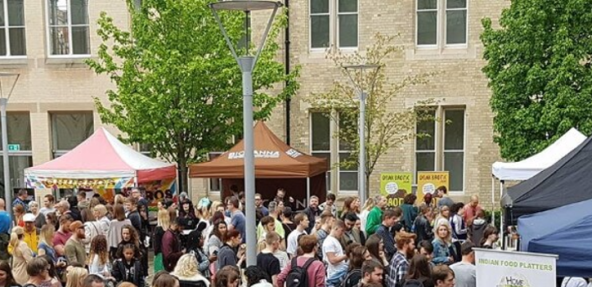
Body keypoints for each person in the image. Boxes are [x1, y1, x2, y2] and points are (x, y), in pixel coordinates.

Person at [322, 220, 348, 287]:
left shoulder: (334, 240)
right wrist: (347, 255)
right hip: (334, 276)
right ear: (336, 228)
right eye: (342, 231)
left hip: (338, 274)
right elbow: (332, 260)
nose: (342, 233)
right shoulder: (329, 242)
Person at [154, 208, 171, 273]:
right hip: (168, 252)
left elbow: (156, 244)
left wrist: (155, 253)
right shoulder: (169, 229)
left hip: (160, 253)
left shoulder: (158, 229)